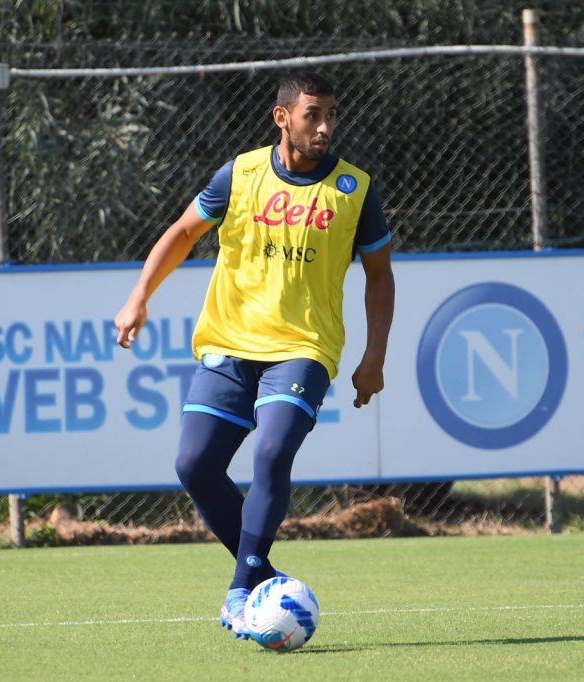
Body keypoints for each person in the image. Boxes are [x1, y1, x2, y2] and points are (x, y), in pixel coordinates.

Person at [114, 71, 395, 640]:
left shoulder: (355, 190)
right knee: (194, 465)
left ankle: (241, 591)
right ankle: (262, 574)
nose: (324, 126)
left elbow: (379, 276)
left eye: (331, 115)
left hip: (302, 350)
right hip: (229, 344)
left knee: (272, 452)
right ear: (282, 117)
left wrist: (374, 358)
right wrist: (139, 295)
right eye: (312, 114)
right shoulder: (240, 174)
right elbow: (184, 232)